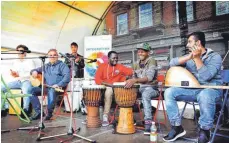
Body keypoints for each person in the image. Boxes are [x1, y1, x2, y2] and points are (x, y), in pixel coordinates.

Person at [163, 32, 223, 143]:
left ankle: (205, 130)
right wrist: (190, 56)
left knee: (204, 95)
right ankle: (177, 127)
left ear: (198, 43)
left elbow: (206, 76)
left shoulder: (215, 57)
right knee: (169, 92)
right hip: (194, 90)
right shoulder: (190, 58)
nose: (187, 45)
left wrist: (197, 58)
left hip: (212, 90)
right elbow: (172, 63)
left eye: (190, 42)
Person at [125, 43, 158, 135]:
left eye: (142, 51)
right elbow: (132, 77)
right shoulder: (135, 64)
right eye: (139, 52)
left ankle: (148, 122)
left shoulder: (152, 61)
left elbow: (150, 78)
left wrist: (134, 80)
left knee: (146, 94)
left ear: (148, 52)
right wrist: (128, 78)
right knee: (126, 92)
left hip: (152, 88)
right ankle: (129, 118)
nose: (140, 53)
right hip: (139, 88)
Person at [29, 49, 71, 120]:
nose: (52, 56)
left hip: (58, 88)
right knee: (31, 91)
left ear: (57, 56)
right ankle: (39, 112)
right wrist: (34, 71)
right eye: (50, 55)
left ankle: (49, 113)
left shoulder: (62, 65)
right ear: (48, 57)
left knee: (52, 91)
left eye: (54, 55)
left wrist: (58, 84)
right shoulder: (46, 66)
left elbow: (67, 77)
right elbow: (33, 70)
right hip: (47, 87)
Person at [95, 51, 133, 126]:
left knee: (127, 89)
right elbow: (97, 80)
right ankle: (105, 116)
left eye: (117, 58)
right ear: (108, 59)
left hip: (116, 89)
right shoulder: (102, 66)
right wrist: (109, 84)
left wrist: (127, 77)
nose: (115, 59)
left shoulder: (120, 67)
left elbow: (130, 72)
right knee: (109, 90)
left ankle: (125, 116)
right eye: (113, 58)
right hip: (104, 88)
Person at [1, 45, 35, 117]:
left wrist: (20, 76)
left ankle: (25, 110)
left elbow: (32, 74)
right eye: (18, 51)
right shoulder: (15, 61)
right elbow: (15, 74)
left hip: (26, 81)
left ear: (25, 52)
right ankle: (2, 109)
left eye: (21, 51)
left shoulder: (30, 61)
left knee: (26, 91)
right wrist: (13, 74)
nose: (19, 53)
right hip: (18, 81)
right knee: (1, 88)